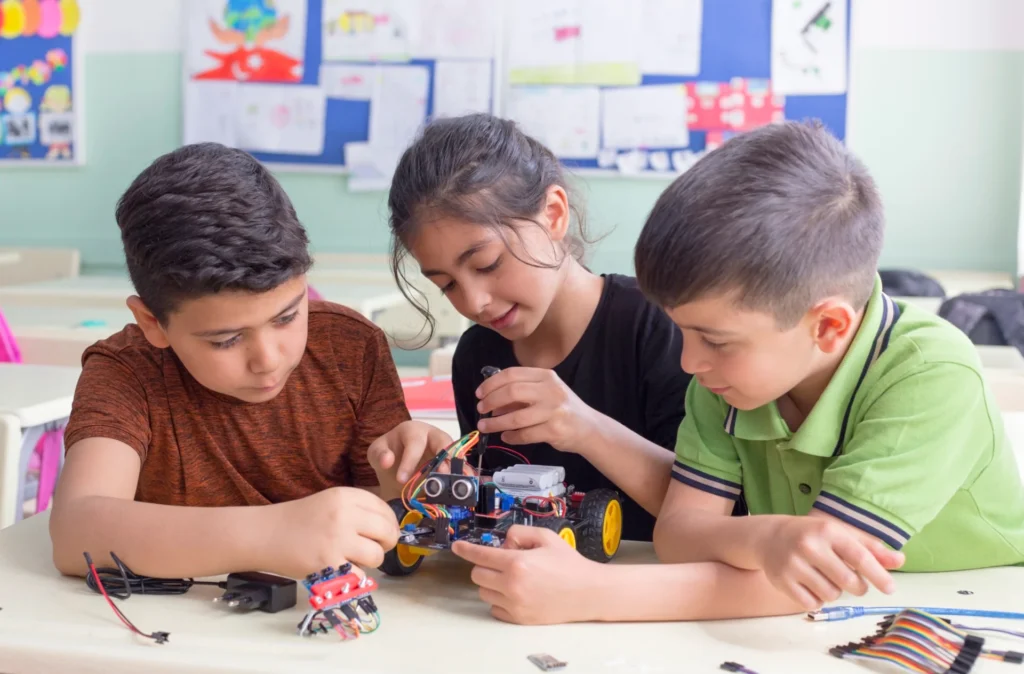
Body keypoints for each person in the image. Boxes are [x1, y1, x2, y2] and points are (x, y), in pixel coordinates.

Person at [449, 120, 1024, 625]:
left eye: (715, 340)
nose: (689, 362)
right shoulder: (727, 377)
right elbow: (678, 534)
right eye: (685, 331)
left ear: (827, 326)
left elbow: (815, 582)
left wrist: (591, 592)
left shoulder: (930, 374)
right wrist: (767, 536)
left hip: (968, 606)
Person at [49, 143, 410, 581]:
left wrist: (410, 478)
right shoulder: (125, 372)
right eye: (226, 340)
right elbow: (75, 533)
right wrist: (274, 534)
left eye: (287, 317)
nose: (267, 360)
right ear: (152, 323)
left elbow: (387, 517)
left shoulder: (351, 347)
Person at [368, 113, 692, 547]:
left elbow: (719, 511)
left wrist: (586, 429)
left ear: (553, 214)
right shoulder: (477, 354)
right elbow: (489, 514)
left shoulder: (660, 327)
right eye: (446, 285)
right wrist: (432, 477)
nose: (473, 303)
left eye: (487, 264)